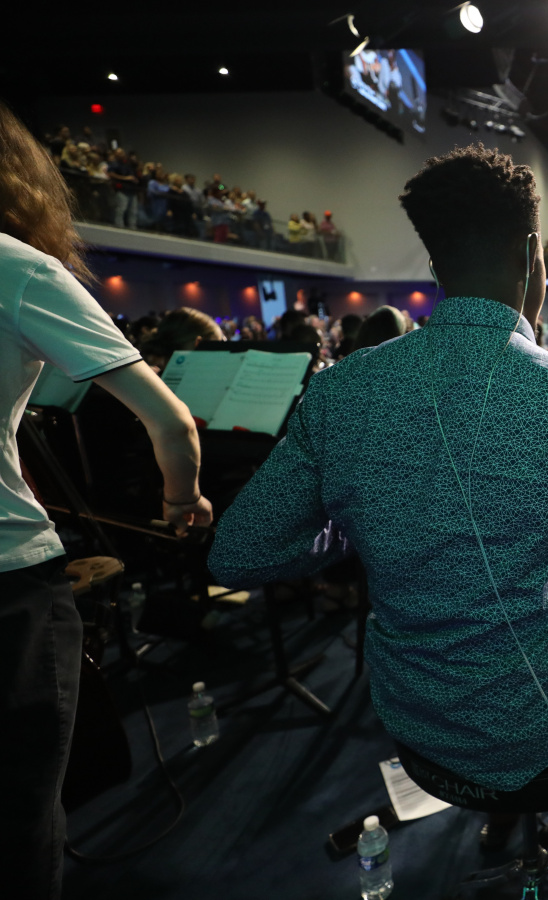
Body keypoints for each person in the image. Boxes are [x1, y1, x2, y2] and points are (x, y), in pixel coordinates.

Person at [207, 145, 548, 866]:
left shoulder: (339, 389)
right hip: (538, 712)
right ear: (533, 257)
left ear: (437, 267)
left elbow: (237, 553)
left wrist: (360, 522)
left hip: (412, 714)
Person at [0, 100, 212, 900]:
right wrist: (183, 502)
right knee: (19, 817)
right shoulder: (17, 266)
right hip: (6, 582)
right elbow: (172, 421)